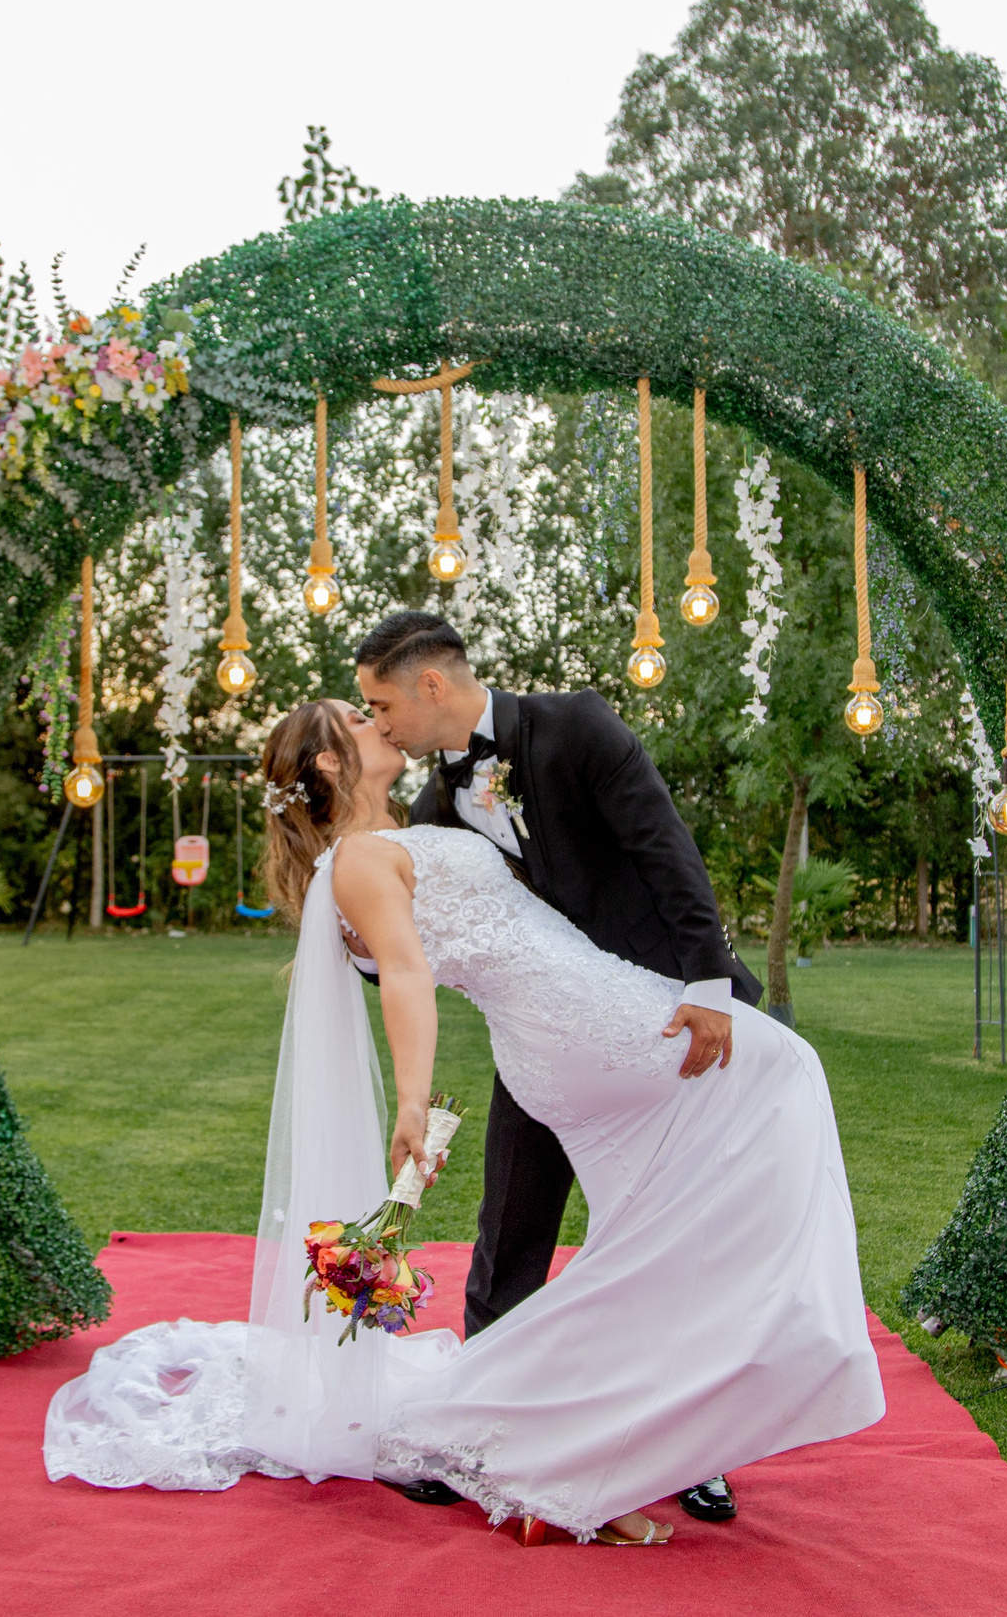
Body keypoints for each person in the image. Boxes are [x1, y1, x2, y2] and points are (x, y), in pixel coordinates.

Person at [41, 686, 883, 1545]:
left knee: (650, 1223)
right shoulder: (361, 862)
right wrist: (412, 1101)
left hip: (572, 1022)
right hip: (578, 1025)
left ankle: (636, 1440)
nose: (382, 722)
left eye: (379, 705)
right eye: (362, 717)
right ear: (331, 759)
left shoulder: (407, 822)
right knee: (782, 1072)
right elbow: (405, 973)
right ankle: (576, 1437)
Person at [348, 610, 761, 1523]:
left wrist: (708, 982)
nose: (379, 724)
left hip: (663, 1023)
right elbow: (406, 931)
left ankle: (698, 1444)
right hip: (545, 1040)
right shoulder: (433, 804)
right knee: (510, 1227)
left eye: (382, 703)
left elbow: (663, 844)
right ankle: (480, 1431)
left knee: (670, 1235)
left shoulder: (576, 724)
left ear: (430, 684)